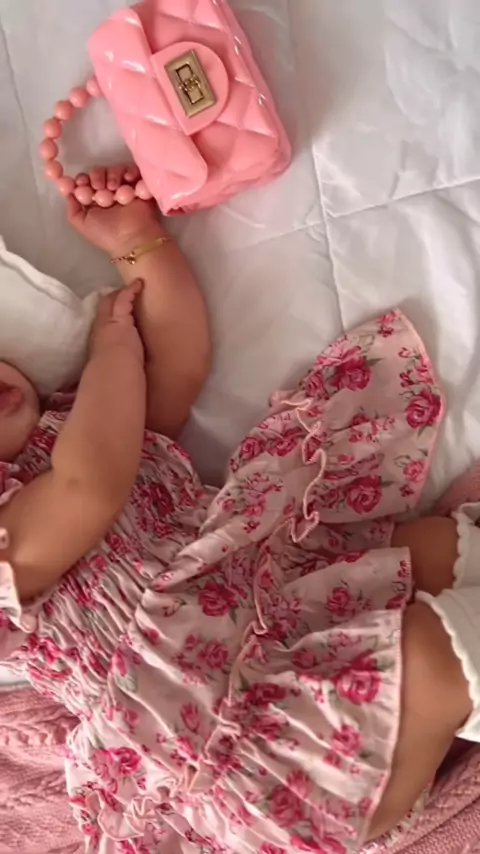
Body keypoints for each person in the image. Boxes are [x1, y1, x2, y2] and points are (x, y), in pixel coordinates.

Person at [0, 165, 478, 854]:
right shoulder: (19, 530)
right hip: (238, 737)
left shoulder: (84, 419)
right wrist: (111, 349)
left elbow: (178, 362)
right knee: (430, 659)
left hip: (294, 600)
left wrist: (138, 247)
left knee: (434, 548)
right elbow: (87, 487)